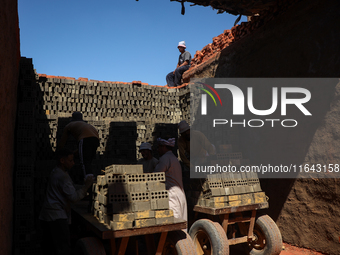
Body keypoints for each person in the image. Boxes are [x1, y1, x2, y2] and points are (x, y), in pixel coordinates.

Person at [39, 148, 95, 255]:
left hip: (50, 214)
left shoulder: (58, 171)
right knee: (63, 248)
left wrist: (84, 187)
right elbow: (74, 197)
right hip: (56, 216)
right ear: (62, 160)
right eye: (70, 161)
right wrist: (86, 187)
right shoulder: (61, 176)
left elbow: (71, 187)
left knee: (52, 247)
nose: (73, 163)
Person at [154, 138, 187, 223]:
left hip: (172, 196)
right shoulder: (173, 158)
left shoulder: (165, 158)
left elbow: (155, 176)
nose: (158, 150)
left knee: (175, 224)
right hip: (179, 194)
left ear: (164, 147)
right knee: (181, 223)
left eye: (159, 147)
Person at [58, 112, 99, 176]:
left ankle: (88, 179)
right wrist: (74, 153)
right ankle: (91, 177)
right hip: (96, 140)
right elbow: (84, 149)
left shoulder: (68, 126)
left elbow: (62, 143)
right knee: (88, 161)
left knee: (84, 162)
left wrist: (58, 154)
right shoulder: (85, 125)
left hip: (85, 139)